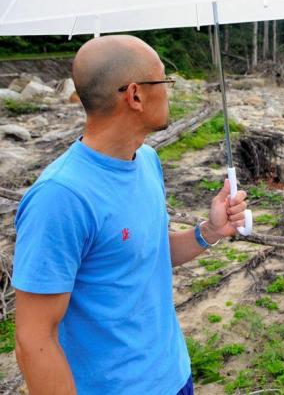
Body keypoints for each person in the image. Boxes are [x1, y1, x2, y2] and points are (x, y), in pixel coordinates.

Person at [11, 35, 247, 394]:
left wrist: (209, 232)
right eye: (165, 80)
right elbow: (33, 339)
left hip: (173, 374)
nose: (170, 90)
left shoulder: (146, 161)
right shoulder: (61, 198)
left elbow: (145, 253)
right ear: (134, 95)